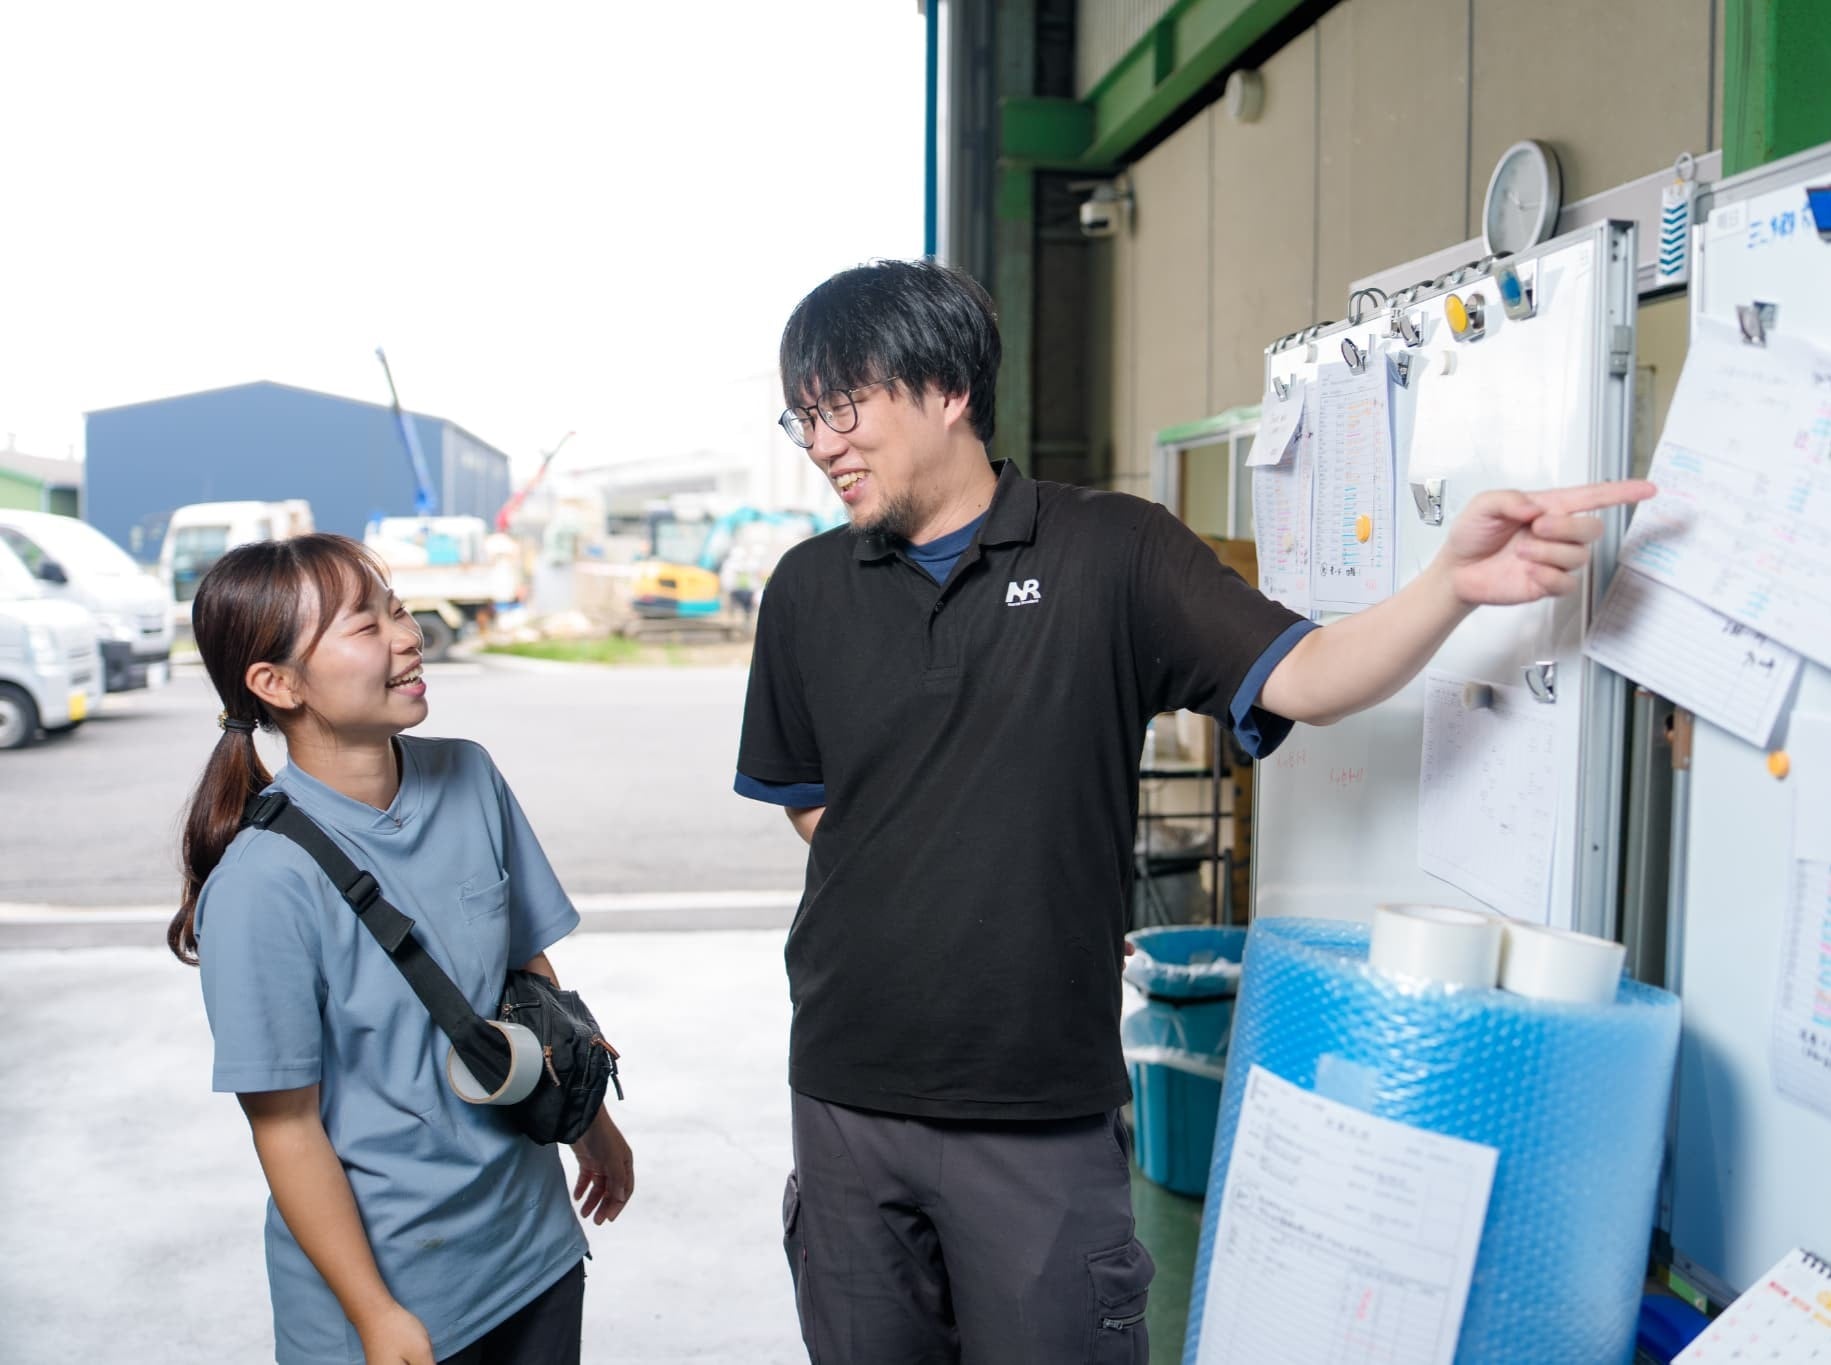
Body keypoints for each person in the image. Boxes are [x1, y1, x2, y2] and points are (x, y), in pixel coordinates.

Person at [735, 258, 1654, 1364]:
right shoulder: (806, 589)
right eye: (803, 418)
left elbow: (1310, 676)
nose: (822, 443)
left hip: (1034, 1107)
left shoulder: (1109, 550)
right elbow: (815, 805)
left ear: (947, 390)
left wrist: (1449, 584)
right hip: (842, 1092)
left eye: (843, 406)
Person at [167, 533, 634, 1365]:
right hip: (393, 1296)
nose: (408, 636)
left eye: (399, 610)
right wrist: (375, 1313)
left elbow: (526, 978)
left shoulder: (470, 776)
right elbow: (286, 1126)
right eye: (365, 625)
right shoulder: (261, 884)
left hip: (535, 1251)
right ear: (277, 684)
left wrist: (589, 1121)